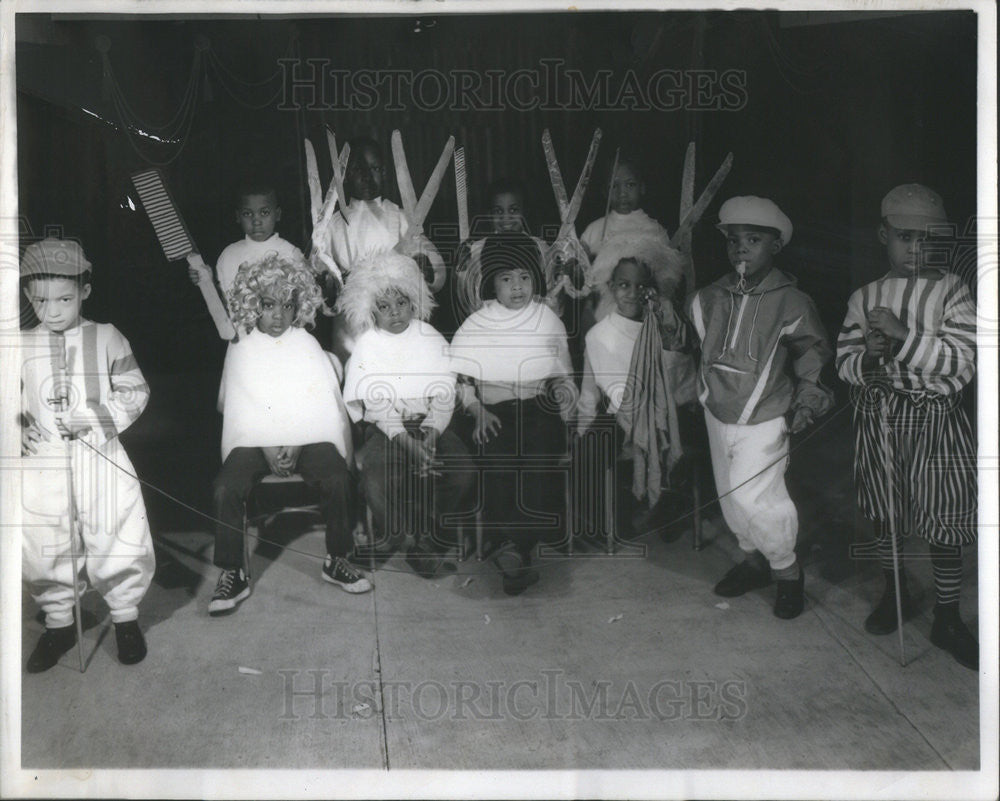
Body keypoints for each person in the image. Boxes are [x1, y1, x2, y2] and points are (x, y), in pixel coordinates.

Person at [836, 184, 978, 670]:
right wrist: (867, 359)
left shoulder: (952, 290)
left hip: (936, 419)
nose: (916, 249)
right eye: (904, 237)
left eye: (927, 239)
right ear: (884, 235)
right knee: (885, 508)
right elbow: (843, 362)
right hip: (878, 417)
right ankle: (894, 593)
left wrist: (902, 337)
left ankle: (947, 615)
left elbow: (961, 359)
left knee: (944, 512)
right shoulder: (865, 296)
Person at [684, 196, 833, 619]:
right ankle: (753, 563)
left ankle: (787, 571)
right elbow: (686, 335)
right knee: (730, 498)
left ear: (776, 245)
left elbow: (812, 357)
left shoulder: (792, 301)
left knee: (757, 499)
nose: (741, 248)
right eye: (734, 240)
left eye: (754, 239)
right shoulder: (711, 295)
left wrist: (808, 401)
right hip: (718, 410)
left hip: (765, 415)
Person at [208, 253, 370, 616]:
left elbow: (320, 405)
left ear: (299, 305)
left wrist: (295, 442)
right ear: (253, 305)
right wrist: (267, 445)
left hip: (307, 436)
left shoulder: (306, 345)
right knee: (225, 487)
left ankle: (336, 558)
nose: (277, 316)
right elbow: (237, 406)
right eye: (268, 305)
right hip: (254, 441)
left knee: (336, 477)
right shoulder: (241, 346)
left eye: (286, 305)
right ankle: (233, 572)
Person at [20, 238, 155, 671]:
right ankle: (59, 622)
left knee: (117, 528)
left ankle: (125, 616)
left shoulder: (107, 337)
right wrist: (16, 427)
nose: (53, 310)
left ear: (85, 292)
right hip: (42, 460)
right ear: (27, 296)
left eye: (64, 298)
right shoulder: (19, 345)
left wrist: (94, 420)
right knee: (43, 539)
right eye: (41, 300)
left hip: (99, 453)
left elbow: (135, 391)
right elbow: (8, 401)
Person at [450, 232, 576, 595]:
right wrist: (476, 410)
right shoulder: (477, 324)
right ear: (492, 283)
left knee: (537, 461)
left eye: (523, 277)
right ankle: (506, 545)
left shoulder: (547, 319)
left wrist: (568, 419)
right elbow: (461, 379)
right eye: (506, 279)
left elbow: (562, 375)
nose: (517, 287)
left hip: (538, 408)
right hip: (493, 411)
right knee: (500, 460)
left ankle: (520, 549)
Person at [338, 252, 476, 577]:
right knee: (375, 478)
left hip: (433, 426)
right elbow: (376, 405)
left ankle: (428, 539)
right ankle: (397, 535)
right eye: (383, 308)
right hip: (387, 430)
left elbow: (444, 394)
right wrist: (404, 439)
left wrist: (430, 433)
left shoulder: (430, 339)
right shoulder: (368, 345)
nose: (394, 313)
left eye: (400, 303)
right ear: (371, 312)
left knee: (463, 473)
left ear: (414, 302)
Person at [577, 238, 697, 540]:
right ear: (611, 287)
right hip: (622, 411)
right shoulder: (598, 334)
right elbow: (590, 388)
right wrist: (583, 424)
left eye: (641, 286)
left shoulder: (664, 327)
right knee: (591, 447)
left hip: (666, 408)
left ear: (653, 289)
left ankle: (667, 507)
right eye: (623, 285)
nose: (632, 294)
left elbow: (682, 380)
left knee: (681, 439)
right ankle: (609, 517)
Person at [188, 182, 305, 323]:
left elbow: (302, 306)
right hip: (242, 338)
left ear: (278, 214)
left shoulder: (291, 254)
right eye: (248, 213)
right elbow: (224, 307)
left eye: (264, 212)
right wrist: (207, 282)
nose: (256, 221)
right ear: (238, 216)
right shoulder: (229, 255)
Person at [454, 179, 551, 321]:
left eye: (514, 210)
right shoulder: (476, 250)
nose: (506, 218)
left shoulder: (539, 248)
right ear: (489, 215)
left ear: (525, 212)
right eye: (498, 211)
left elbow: (549, 293)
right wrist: (463, 272)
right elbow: (470, 300)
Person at [328, 136, 408, 275]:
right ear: (345, 175)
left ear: (383, 173)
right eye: (359, 170)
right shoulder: (332, 224)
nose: (367, 177)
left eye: (374, 168)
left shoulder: (402, 219)